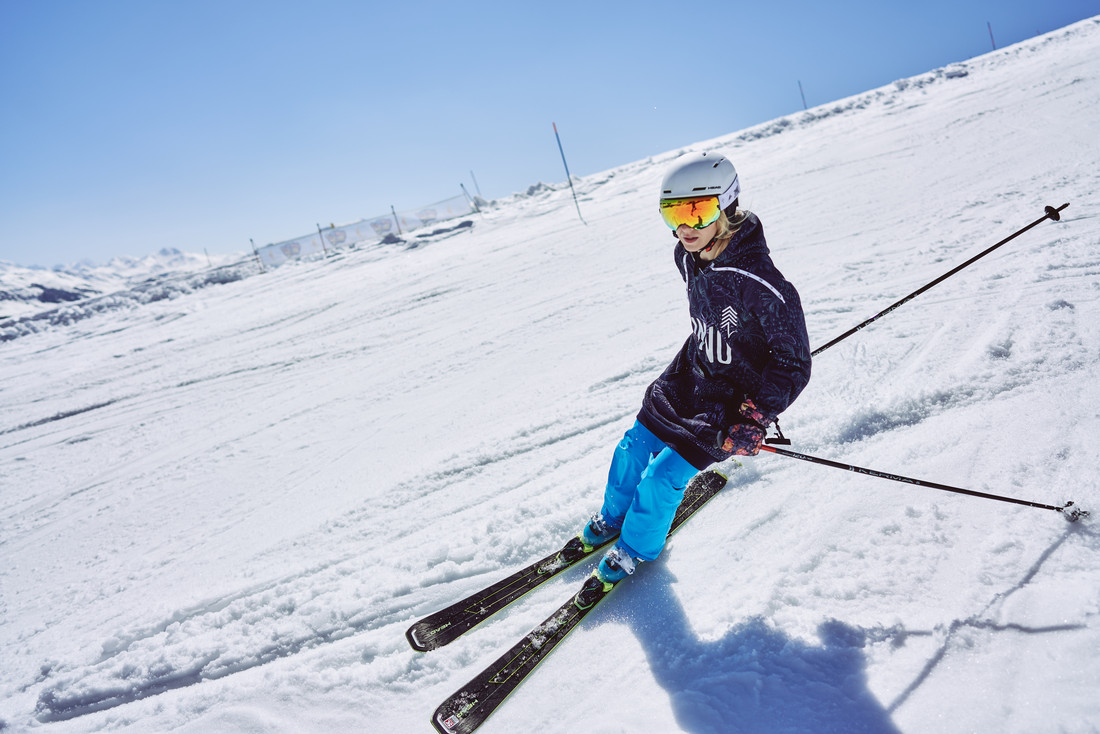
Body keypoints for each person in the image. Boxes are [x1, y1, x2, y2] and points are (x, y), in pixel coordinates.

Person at [580, 150, 813, 586]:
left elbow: (793, 363)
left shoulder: (763, 283)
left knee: (660, 478)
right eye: (673, 214)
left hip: (730, 404)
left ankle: (634, 549)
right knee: (631, 450)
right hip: (690, 376)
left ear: (727, 206)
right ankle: (613, 518)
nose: (684, 227)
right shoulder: (687, 256)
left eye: (698, 210)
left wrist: (757, 416)